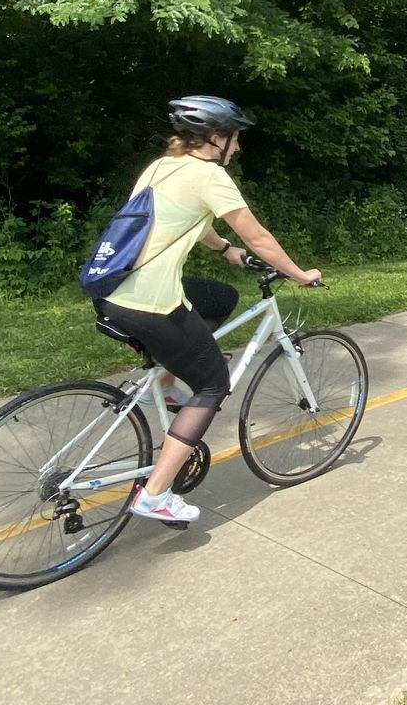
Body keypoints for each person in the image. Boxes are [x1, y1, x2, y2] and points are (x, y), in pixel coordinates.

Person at [98, 95, 322, 524]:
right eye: (235, 139)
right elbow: (258, 237)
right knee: (213, 385)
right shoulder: (210, 176)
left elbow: (175, 219)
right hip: (150, 304)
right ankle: (155, 495)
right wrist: (298, 273)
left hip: (115, 291)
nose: (237, 148)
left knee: (219, 299)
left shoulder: (161, 166)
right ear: (216, 138)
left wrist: (223, 249)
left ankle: (165, 382)